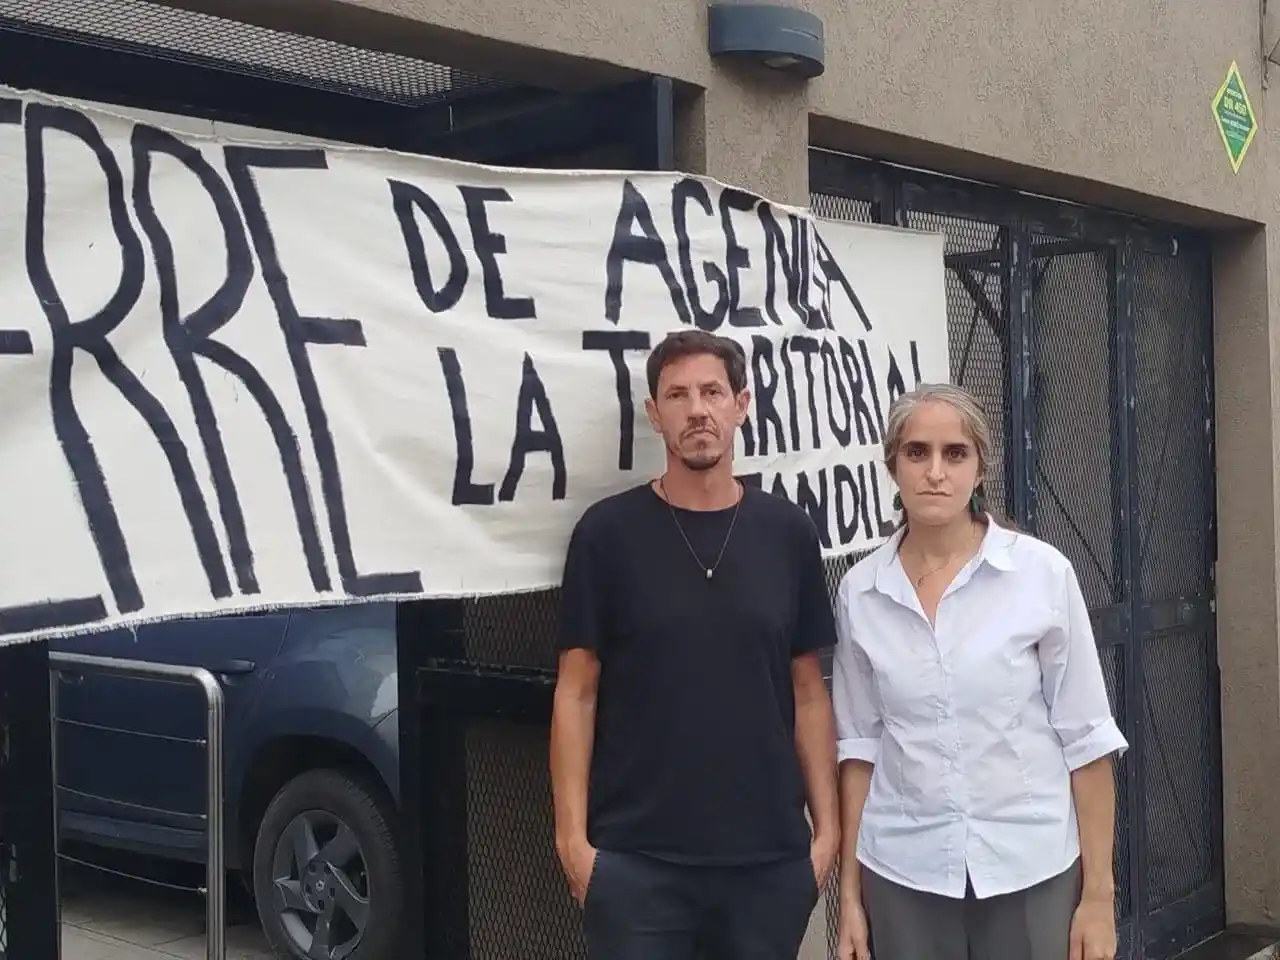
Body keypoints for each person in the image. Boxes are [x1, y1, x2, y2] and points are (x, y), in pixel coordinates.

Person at [549, 329, 840, 959]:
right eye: (677, 395)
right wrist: (574, 843)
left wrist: (827, 836)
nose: (697, 409)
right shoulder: (606, 535)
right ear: (655, 415)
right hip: (636, 865)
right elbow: (576, 693)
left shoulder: (787, 533)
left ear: (742, 403)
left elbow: (808, 693)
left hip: (768, 864)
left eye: (712, 391)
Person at [832, 383, 1127, 960]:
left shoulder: (1040, 574)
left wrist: (1098, 896)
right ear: (893, 464)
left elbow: (1086, 741)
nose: (935, 471)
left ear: (980, 466)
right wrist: (848, 897)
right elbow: (859, 748)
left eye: (954, 453)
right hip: (904, 870)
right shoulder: (861, 592)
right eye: (917, 452)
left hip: (1030, 865)